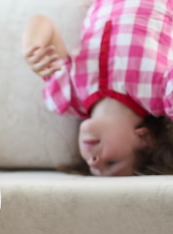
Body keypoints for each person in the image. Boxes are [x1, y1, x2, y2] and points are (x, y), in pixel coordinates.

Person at [22, 0, 173, 176]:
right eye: (111, 163)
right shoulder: (159, 94)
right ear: (144, 138)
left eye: (92, 168)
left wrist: (32, 48)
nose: (93, 160)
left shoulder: (69, 96)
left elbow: (41, 21)